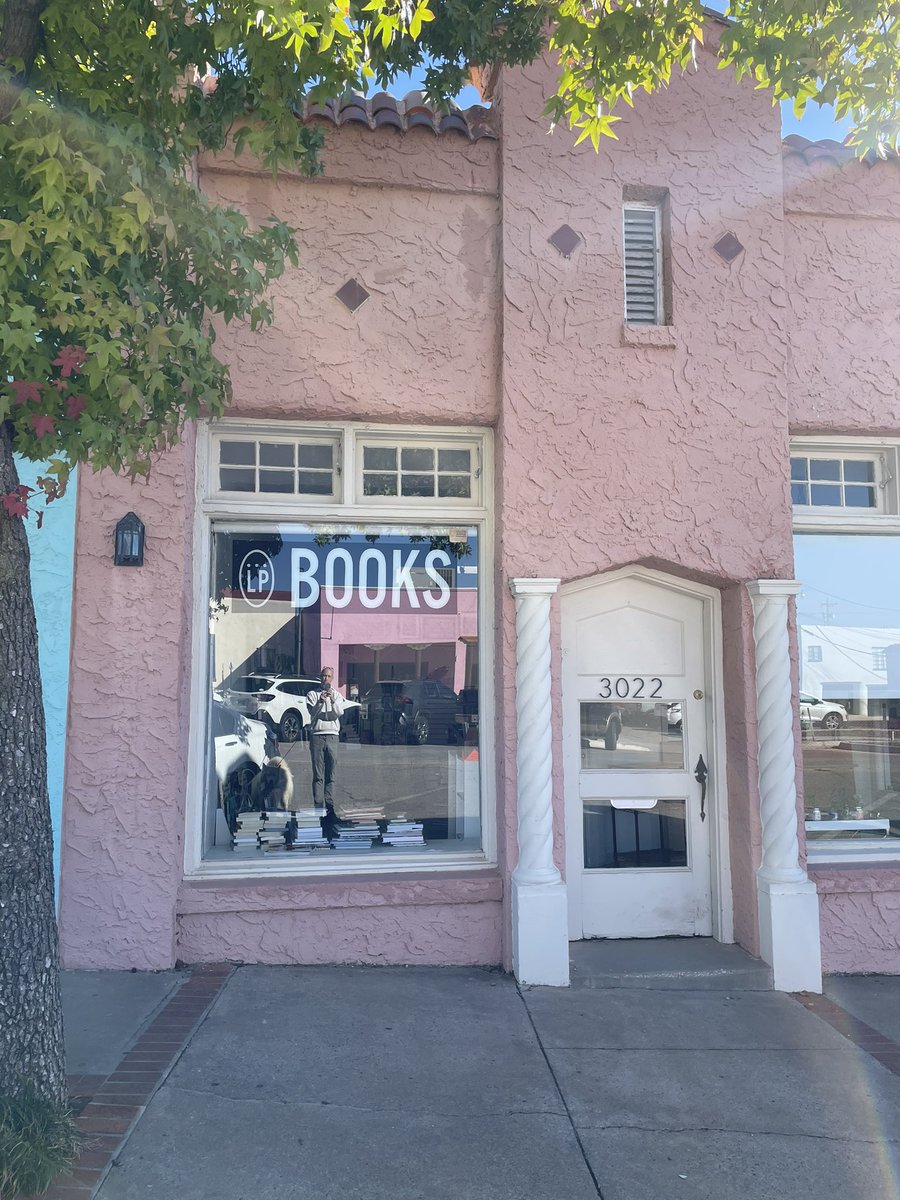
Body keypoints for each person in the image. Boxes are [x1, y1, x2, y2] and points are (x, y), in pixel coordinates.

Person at [306, 667, 348, 837]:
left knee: (331, 774)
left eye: (329, 676)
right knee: (318, 775)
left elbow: (338, 713)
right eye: (323, 675)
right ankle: (318, 808)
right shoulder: (312, 694)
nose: (326, 678)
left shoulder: (337, 695)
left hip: (332, 736)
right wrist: (320, 701)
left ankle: (329, 809)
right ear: (320, 677)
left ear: (332, 678)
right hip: (317, 735)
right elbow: (313, 713)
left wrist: (331, 700)